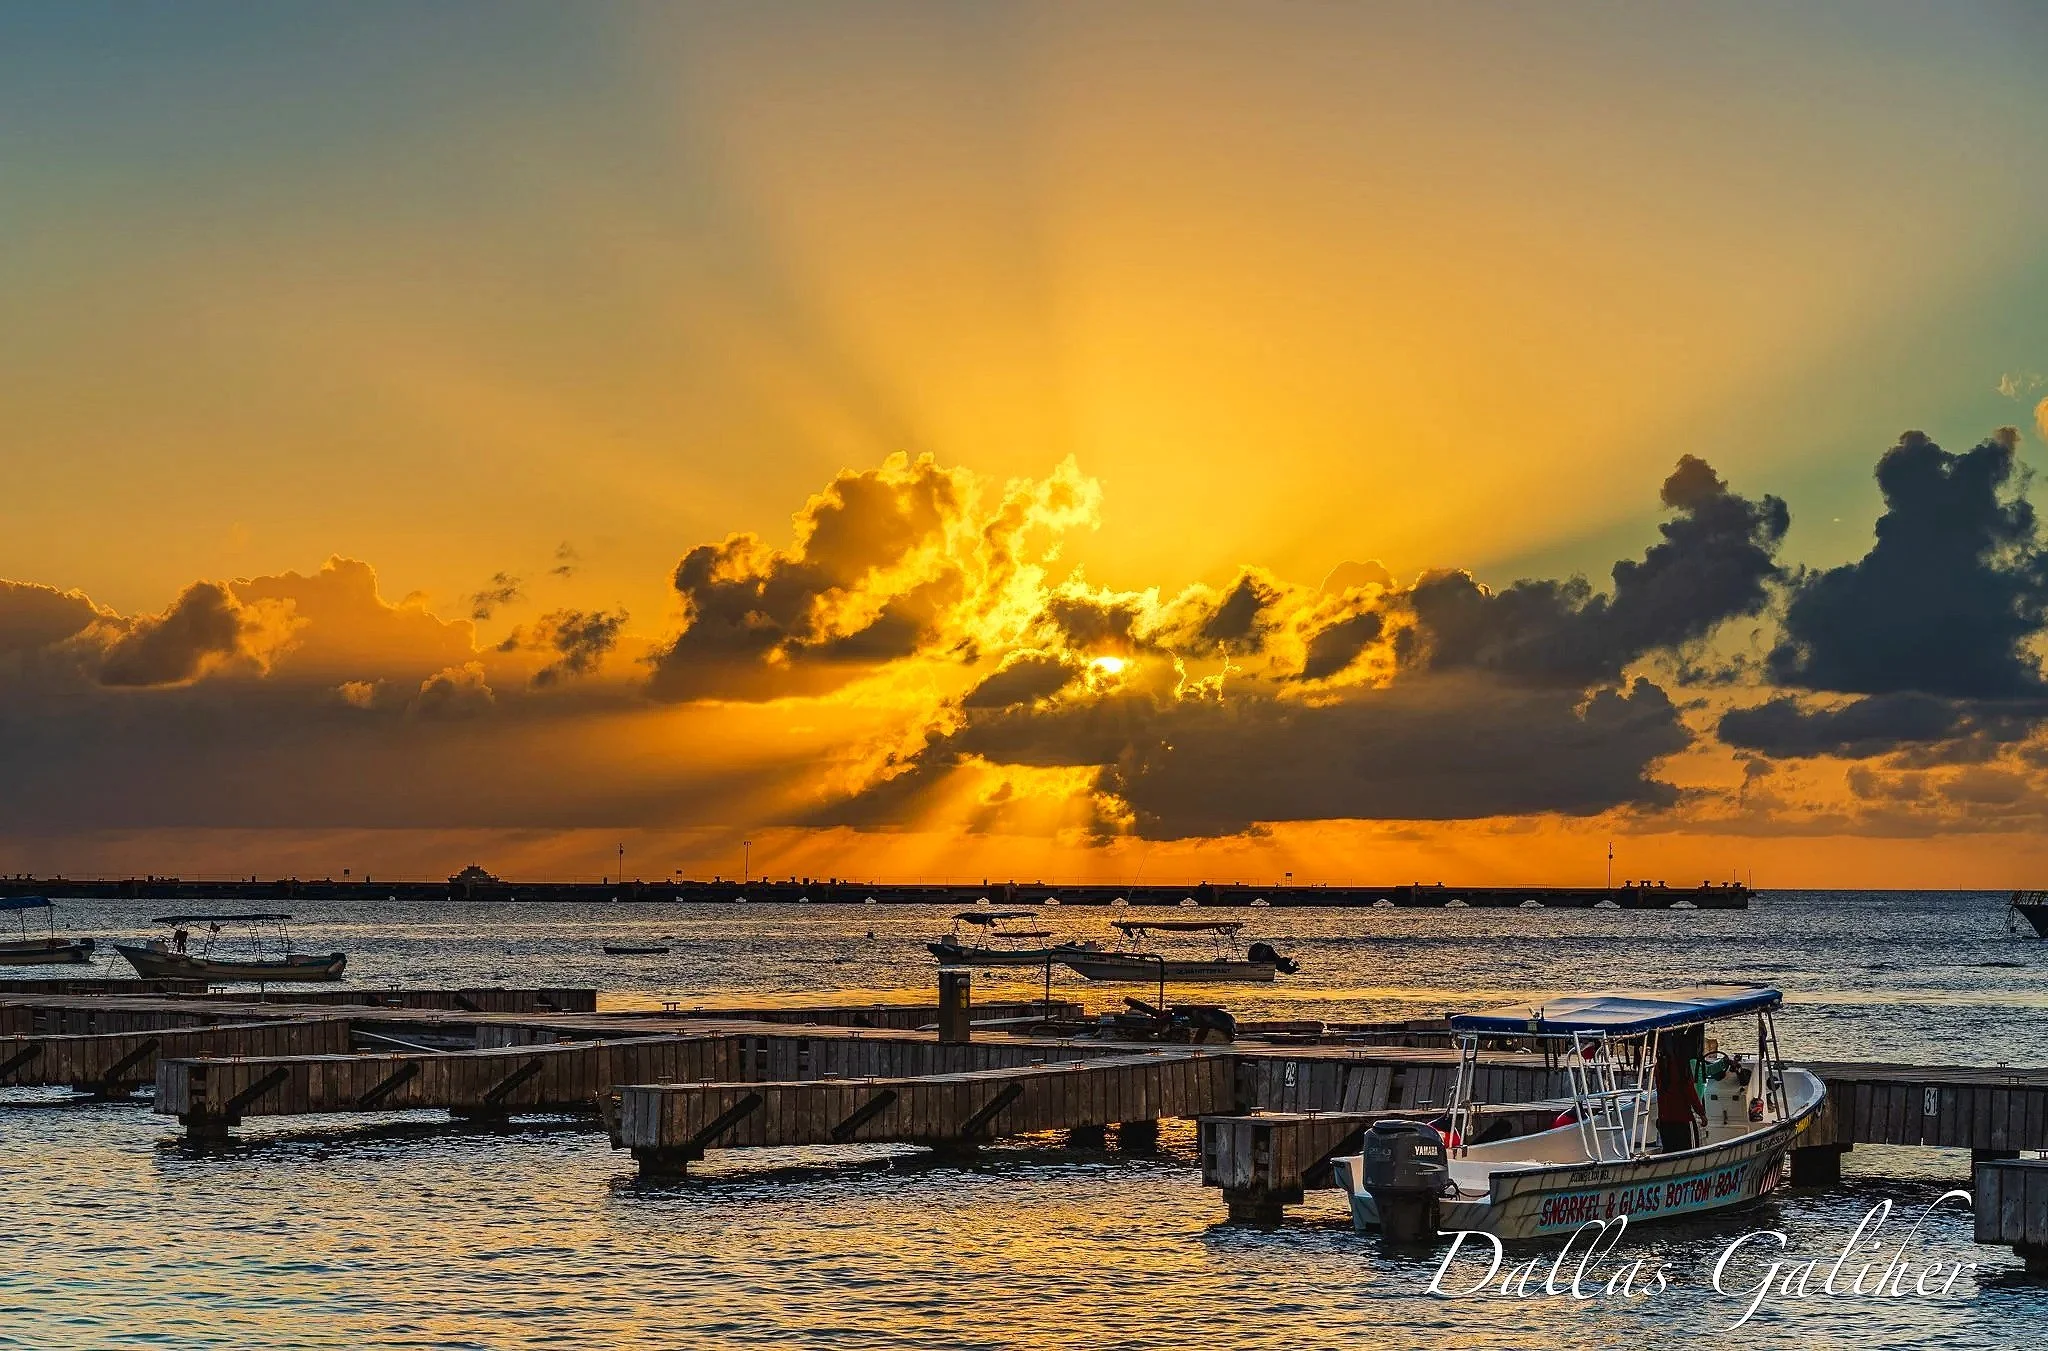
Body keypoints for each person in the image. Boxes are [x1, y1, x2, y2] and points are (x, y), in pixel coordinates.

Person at [1654, 1030, 1705, 1153]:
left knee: (1669, 1152)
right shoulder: (1682, 1068)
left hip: (1665, 1121)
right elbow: (1690, 1092)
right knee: (1690, 1153)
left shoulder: (1659, 1068)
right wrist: (1701, 1113)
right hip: (1682, 1120)